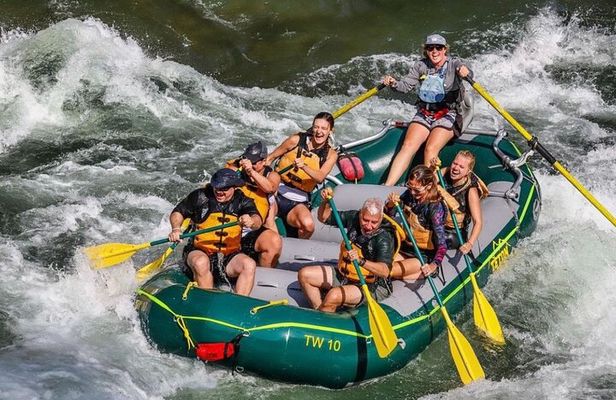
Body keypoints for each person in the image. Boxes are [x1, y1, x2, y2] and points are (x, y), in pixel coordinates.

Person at [382, 33, 473, 186]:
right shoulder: (421, 66)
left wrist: (466, 72)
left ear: (445, 50)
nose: (435, 51)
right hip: (425, 113)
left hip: (448, 114)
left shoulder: (454, 64)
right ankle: (387, 186)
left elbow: (467, 72)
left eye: (439, 47)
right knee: (408, 145)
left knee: (430, 149)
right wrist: (393, 83)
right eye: (430, 48)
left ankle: (427, 189)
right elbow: (405, 86)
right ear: (426, 50)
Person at [298, 188, 396, 313]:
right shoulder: (354, 217)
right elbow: (324, 217)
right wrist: (326, 202)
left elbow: (384, 271)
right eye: (365, 220)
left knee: (334, 295)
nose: (368, 226)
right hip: (345, 275)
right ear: (361, 214)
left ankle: (323, 317)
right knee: (305, 275)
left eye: (374, 222)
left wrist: (361, 261)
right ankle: (320, 312)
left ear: (381, 219)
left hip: (371, 285)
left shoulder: (384, 238)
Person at [168, 168, 262, 295]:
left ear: (234, 188)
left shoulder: (243, 201)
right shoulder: (200, 196)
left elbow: (257, 220)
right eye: (216, 188)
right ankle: (207, 300)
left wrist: (251, 221)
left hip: (229, 257)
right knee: (201, 262)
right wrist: (176, 229)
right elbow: (178, 212)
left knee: (249, 264)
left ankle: (239, 304)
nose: (219, 192)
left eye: (224, 189)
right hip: (200, 251)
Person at [266, 112, 338, 239]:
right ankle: (272, 239)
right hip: (278, 191)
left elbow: (320, 177)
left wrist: (304, 166)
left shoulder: (331, 155)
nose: (319, 132)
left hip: (298, 200)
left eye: (323, 128)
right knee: (267, 209)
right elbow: (270, 158)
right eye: (316, 127)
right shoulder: (295, 140)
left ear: (330, 131)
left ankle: (295, 252)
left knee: (308, 226)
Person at [385, 165, 447, 281]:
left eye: (417, 191)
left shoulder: (434, 208)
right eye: (410, 187)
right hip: (406, 247)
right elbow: (389, 216)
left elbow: (442, 245)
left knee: (387, 269)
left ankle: (419, 274)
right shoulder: (409, 195)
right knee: (381, 264)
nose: (412, 193)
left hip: (423, 255)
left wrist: (433, 265)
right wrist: (390, 205)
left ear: (428, 186)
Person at [226, 141, 283, 267]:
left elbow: (270, 188)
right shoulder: (236, 170)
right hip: (230, 227)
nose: (249, 164)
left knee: (274, 242)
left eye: (253, 162)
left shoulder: (272, 176)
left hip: (252, 229)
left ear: (263, 161)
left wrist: (251, 172)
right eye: (247, 160)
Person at [431, 151, 487, 254]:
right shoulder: (445, 171)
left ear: (468, 171)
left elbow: (478, 222)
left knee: (433, 240)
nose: (455, 168)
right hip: (436, 221)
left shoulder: (471, 191)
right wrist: (432, 168)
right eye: (455, 163)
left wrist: (469, 243)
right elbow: (427, 183)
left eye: (461, 167)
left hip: (453, 232)